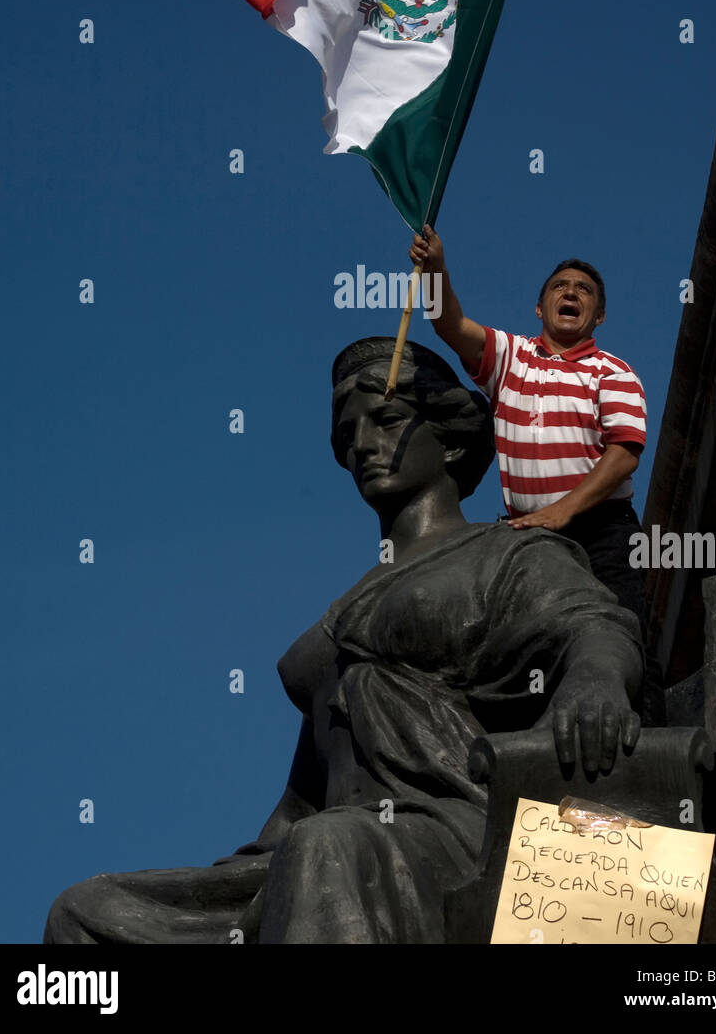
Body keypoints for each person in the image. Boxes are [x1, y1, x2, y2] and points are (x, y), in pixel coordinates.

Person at [44, 338, 644, 945]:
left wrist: (595, 680)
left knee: (325, 848)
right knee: (86, 912)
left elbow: (595, 626)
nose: (361, 443)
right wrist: (235, 875)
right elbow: (304, 798)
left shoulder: (507, 554)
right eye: (347, 431)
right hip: (326, 842)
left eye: (385, 420)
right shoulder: (342, 618)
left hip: (458, 831)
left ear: (453, 439)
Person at [409, 227, 663, 723]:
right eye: (560, 287)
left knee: (624, 638)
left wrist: (562, 510)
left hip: (603, 532)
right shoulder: (510, 358)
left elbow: (625, 453)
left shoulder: (613, 372)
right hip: (528, 539)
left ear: (600, 316)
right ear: (540, 308)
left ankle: (647, 765)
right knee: (527, 651)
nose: (571, 292)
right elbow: (448, 323)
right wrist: (435, 265)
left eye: (585, 290)